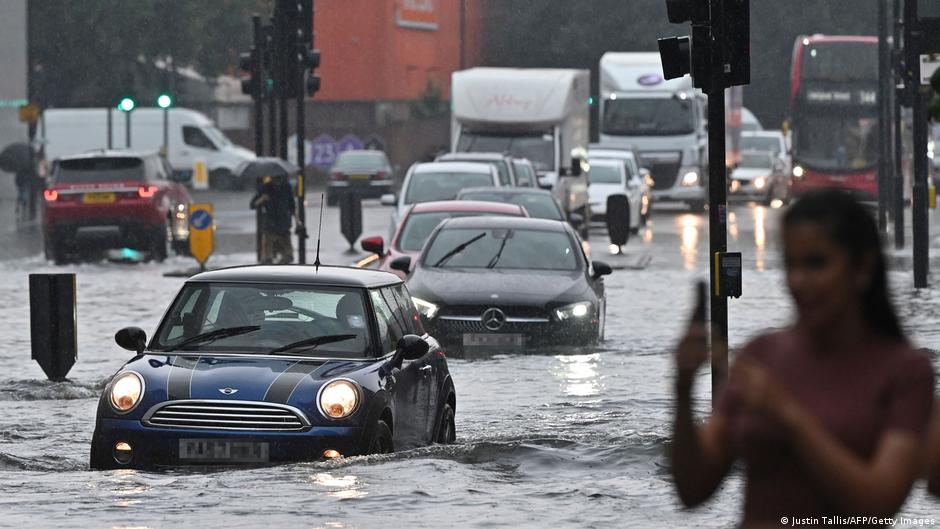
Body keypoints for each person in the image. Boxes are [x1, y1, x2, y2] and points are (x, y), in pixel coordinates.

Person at [671, 189, 934, 527]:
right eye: (790, 265)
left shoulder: (905, 370)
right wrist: (682, 387)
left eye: (816, 263)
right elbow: (692, 489)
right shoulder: (761, 356)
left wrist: (789, 415)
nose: (798, 281)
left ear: (862, 267)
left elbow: (878, 502)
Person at [250, 174, 301, 264]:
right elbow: (253, 204)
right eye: (275, 178)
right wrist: (262, 199)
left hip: (283, 223)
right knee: (267, 257)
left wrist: (297, 221)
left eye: (279, 178)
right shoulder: (265, 187)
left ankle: (280, 264)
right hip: (270, 223)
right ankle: (269, 260)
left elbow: (292, 206)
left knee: (288, 256)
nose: (277, 181)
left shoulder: (286, 187)